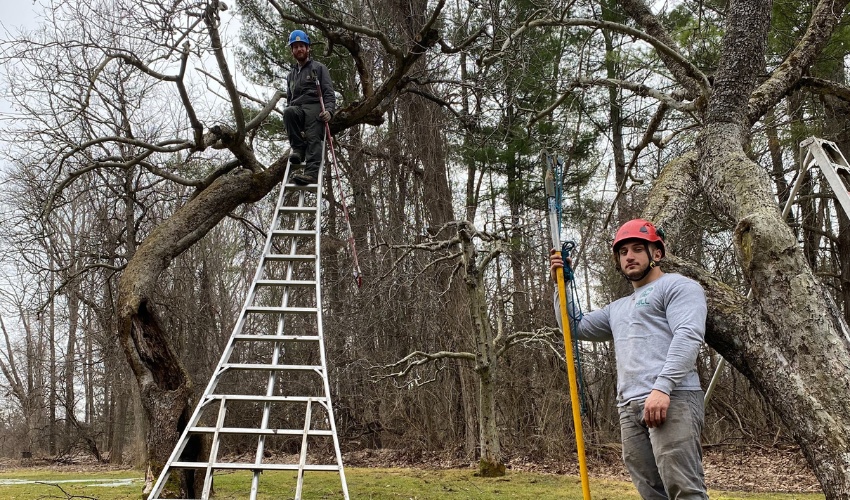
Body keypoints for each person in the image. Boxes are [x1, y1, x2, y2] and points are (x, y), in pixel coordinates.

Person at [550, 219, 708, 500]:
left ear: (656, 254)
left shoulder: (678, 286)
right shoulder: (617, 308)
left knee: (684, 489)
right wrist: (561, 285)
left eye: (637, 249)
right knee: (651, 492)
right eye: (623, 252)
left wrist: (662, 388)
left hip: (672, 397)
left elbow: (688, 335)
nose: (629, 256)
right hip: (629, 406)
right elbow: (574, 327)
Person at [283, 29, 336, 186]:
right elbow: (289, 98)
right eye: (295, 46)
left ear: (308, 48)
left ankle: (311, 173)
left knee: (313, 132)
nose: (299, 49)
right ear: (292, 50)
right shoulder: (291, 75)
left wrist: (330, 111)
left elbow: (329, 93)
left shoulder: (319, 68)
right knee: (288, 112)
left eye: (302, 46)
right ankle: (298, 150)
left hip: (314, 105)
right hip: (297, 108)